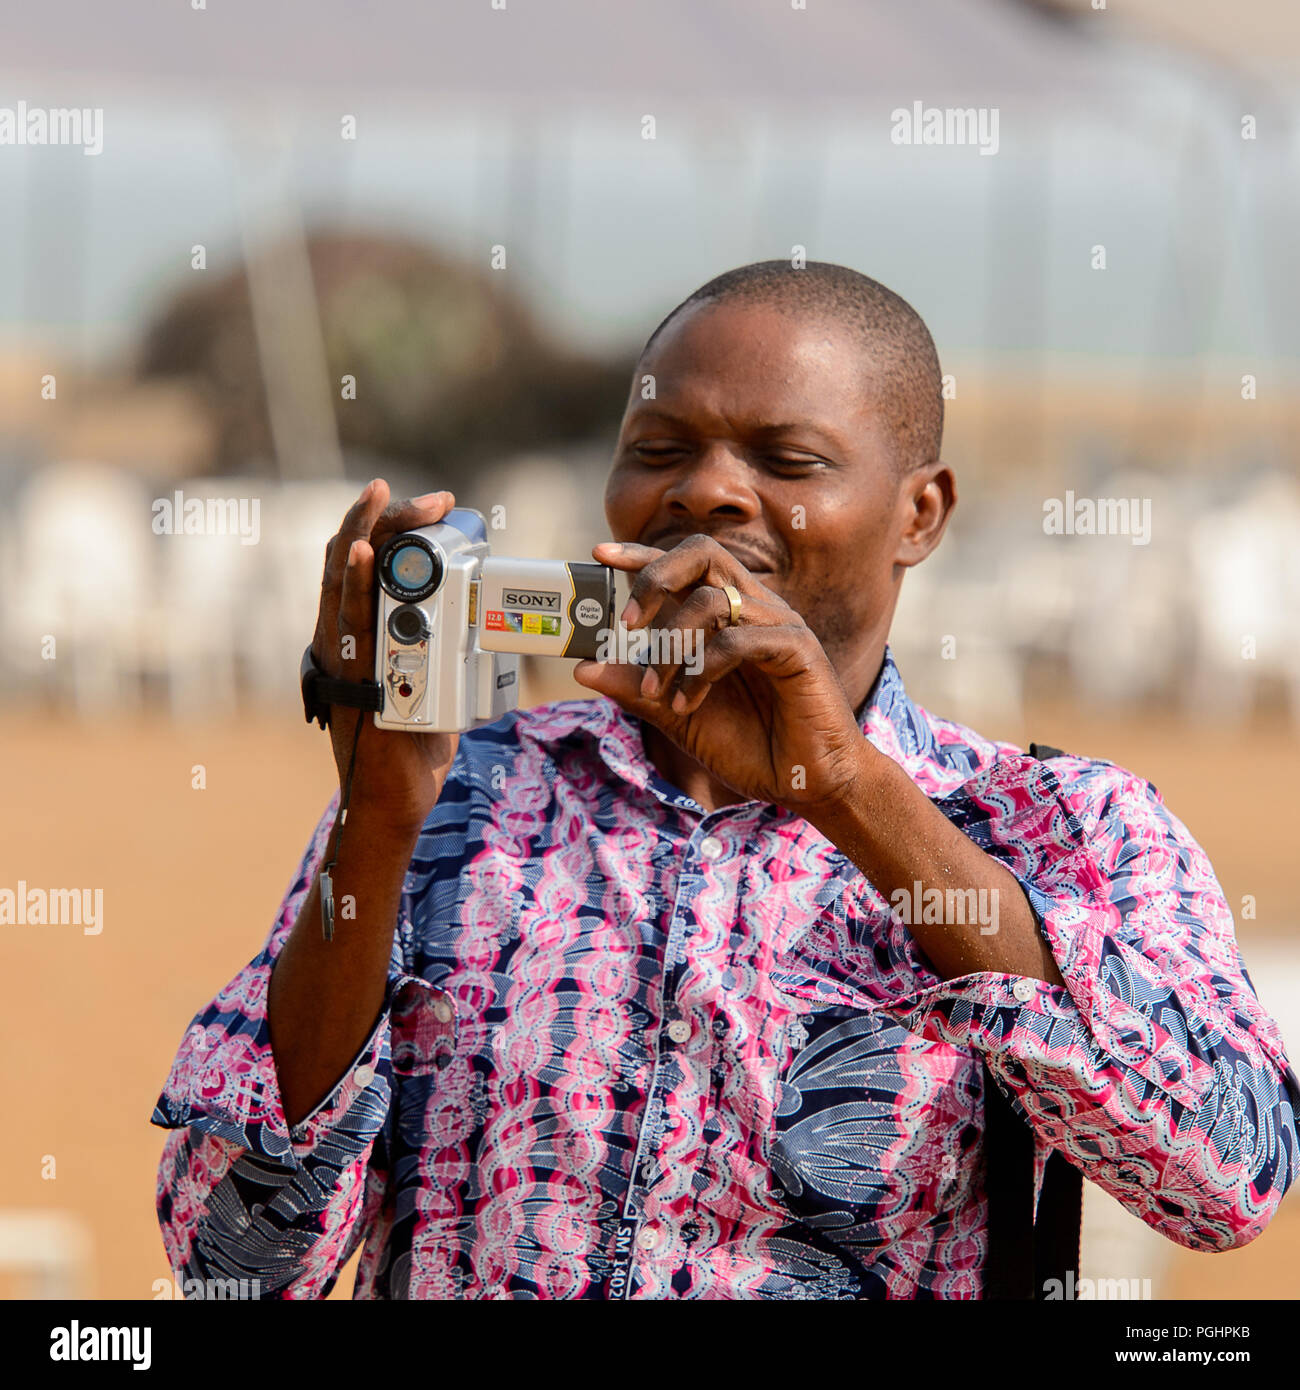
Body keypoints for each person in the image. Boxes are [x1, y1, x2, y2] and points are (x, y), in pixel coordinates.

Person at [152, 260, 1299, 1299]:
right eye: (657, 448)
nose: (705, 490)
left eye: (785, 460)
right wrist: (377, 818)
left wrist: (846, 788)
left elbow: (1226, 1180)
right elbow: (229, 1263)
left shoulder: (1063, 824)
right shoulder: (457, 799)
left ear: (920, 513)